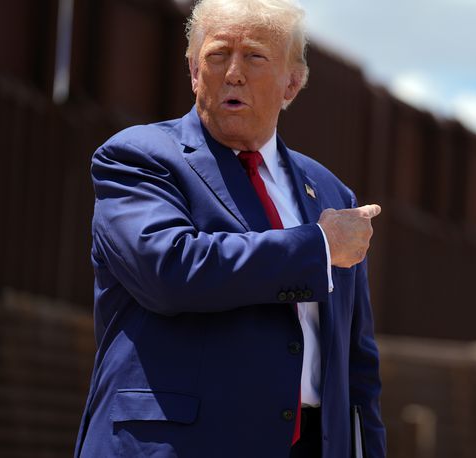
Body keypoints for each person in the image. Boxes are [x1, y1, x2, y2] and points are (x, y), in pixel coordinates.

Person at [73, 0, 386, 456]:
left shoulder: (332, 193)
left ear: (291, 84)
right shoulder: (136, 158)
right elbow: (171, 270)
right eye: (217, 56)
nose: (233, 73)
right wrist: (316, 246)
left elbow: (357, 363)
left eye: (255, 57)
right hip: (177, 445)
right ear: (195, 72)